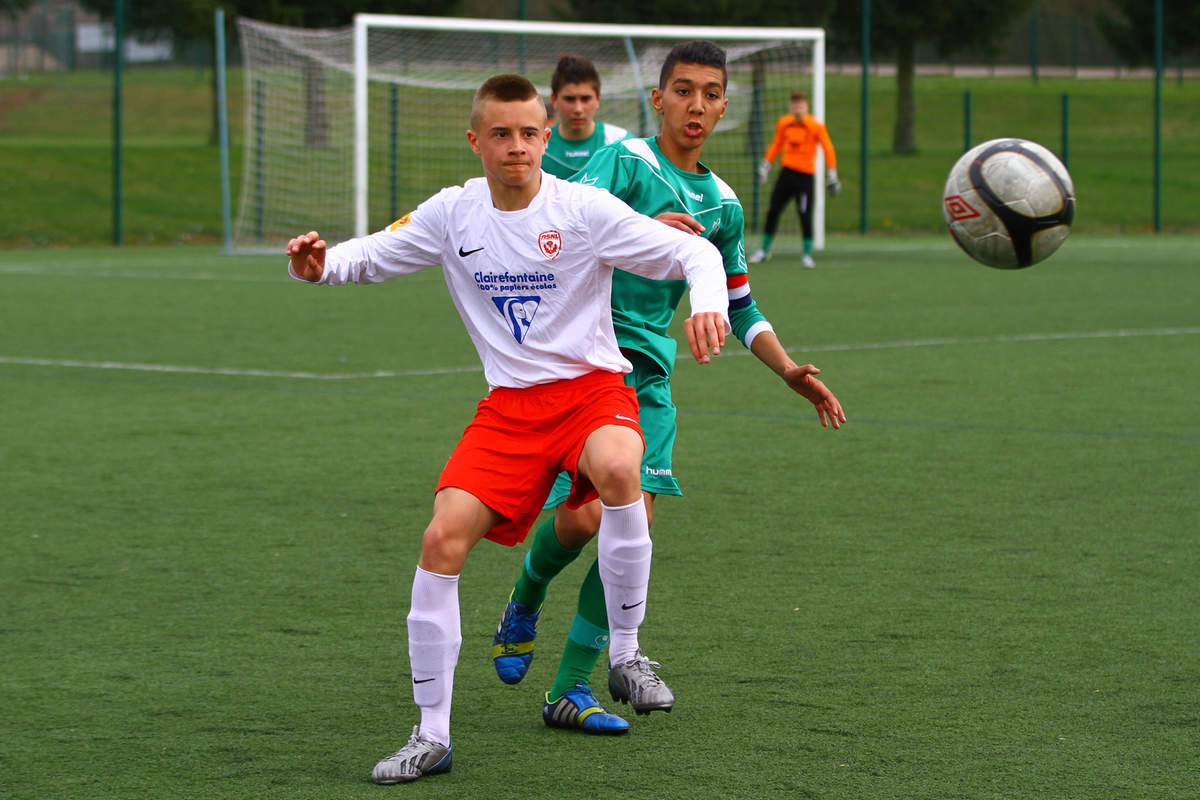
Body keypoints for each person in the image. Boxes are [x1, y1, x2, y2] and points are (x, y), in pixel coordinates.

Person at [286, 73, 731, 783]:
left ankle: (624, 652)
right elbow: (369, 255)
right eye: (500, 134)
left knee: (621, 468)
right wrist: (319, 266)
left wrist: (709, 302)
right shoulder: (452, 213)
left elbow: (694, 253)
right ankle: (431, 735)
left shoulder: (583, 207)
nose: (516, 147)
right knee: (440, 539)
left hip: (591, 393)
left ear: (546, 138)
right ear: (476, 141)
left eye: (529, 133)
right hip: (510, 410)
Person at [491, 42, 846, 735]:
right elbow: (558, 222)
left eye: (711, 93)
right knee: (580, 522)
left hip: (647, 380)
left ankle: (569, 688)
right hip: (583, 364)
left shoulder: (724, 206)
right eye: (682, 90)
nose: (697, 105)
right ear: (658, 100)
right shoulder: (627, 163)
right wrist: (642, 232)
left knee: (632, 525)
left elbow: (740, 301)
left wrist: (789, 368)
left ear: (723, 105)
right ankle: (527, 592)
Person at [750, 90, 840, 268]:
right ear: (791, 107)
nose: (797, 109)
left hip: (805, 177)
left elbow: (828, 148)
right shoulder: (785, 123)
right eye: (795, 105)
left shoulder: (815, 126)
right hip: (786, 174)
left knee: (805, 215)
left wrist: (832, 174)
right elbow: (776, 144)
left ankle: (807, 254)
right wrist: (765, 166)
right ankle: (764, 250)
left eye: (801, 106)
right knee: (773, 210)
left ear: (806, 107)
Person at [542, 54, 632, 179]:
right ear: (554, 100)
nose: (578, 109)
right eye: (570, 99)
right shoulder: (539, 145)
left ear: (598, 99)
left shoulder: (622, 143)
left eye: (585, 99)